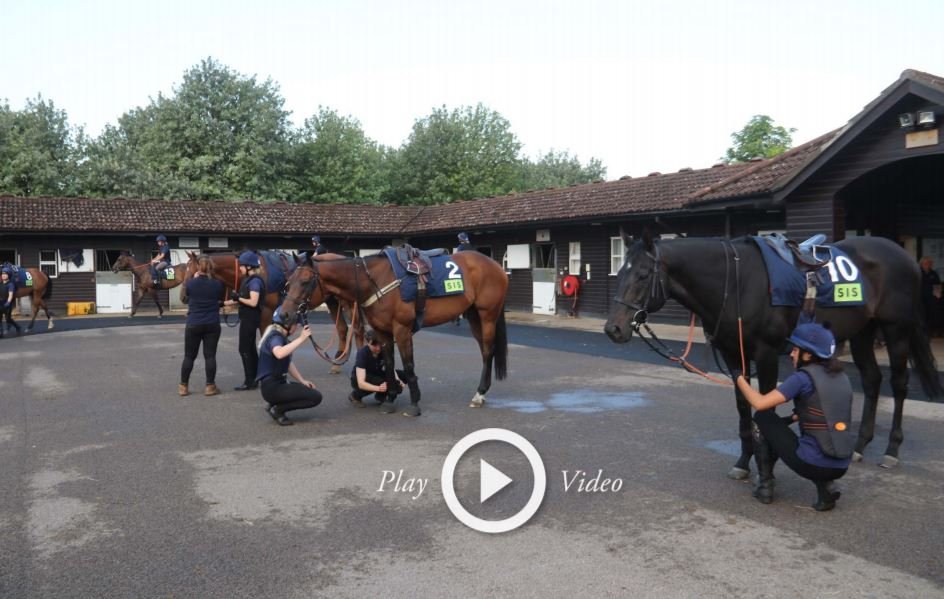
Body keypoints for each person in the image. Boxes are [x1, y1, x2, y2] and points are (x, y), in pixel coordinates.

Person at [735, 322, 853, 511]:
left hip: (811, 464)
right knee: (805, 437)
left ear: (808, 355)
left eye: (795, 350)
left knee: (762, 417)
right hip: (842, 464)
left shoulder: (802, 378)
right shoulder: (842, 377)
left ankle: (765, 486)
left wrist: (739, 378)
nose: (791, 354)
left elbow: (760, 402)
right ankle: (826, 488)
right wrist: (791, 419)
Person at [256, 307, 322, 425]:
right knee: (316, 397)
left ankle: (274, 404)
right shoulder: (275, 337)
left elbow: (288, 363)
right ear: (288, 324)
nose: (297, 327)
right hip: (273, 388)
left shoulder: (277, 335)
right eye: (296, 324)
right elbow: (280, 353)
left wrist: (302, 380)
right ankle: (278, 410)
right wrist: (301, 338)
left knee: (307, 389)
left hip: (274, 386)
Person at [178, 254, 224, 397]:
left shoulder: (191, 283)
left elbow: (184, 299)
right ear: (211, 268)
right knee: (210, 356)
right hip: (212, 323)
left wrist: (194, 278)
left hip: (194, 323)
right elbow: (219, 299)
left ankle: (183, 387)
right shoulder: (217, 284)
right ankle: (210, 386)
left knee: (189, 356)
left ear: (198, 267)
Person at [224, 251, 265, 390]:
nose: (240, 268)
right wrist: (223, 303)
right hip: (247, 318)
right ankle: (256, 378)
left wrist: (237, 299)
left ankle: (250, 381)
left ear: (249, 267)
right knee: (250, 349)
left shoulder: (255, 281)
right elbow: (241, 299)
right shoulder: (248, 280)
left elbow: (253, 302)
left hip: (251, 319)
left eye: (242, 265)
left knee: (245, 349)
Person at [348, 328, 406, 407]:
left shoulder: (384, 350)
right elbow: (361, 383)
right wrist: (379, 388)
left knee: (404, 375)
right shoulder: (362, 353)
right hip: (360, 378)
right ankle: (355, 396)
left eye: (380, 344)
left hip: (376, 374)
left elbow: (390, 369)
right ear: (367, 343)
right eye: (374, 345)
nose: (378, 348)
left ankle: (380, 397)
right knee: (384, 382)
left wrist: (398, 380)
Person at [919, 256, 942, 337]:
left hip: (931, 298)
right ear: (921, 264)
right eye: (925, 263)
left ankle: (929, 331)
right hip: (920, 298)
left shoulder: (934, 274)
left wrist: (938, 296)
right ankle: (921, 332)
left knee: (930, 315)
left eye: (929, 263)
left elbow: (937, 286)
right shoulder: (918, 272)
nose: (927, 264)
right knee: (921, 314)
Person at [0, 268, 21, 338]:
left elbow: (10, 294)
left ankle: (18, 327)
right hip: (0, 303)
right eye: (2, 274)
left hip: (7, 304)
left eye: (5, 274)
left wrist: (8, 302)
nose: (3, 275)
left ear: (8, 275)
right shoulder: (0, 283)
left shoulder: (10, 285)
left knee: (8, 319)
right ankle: (0, 332)